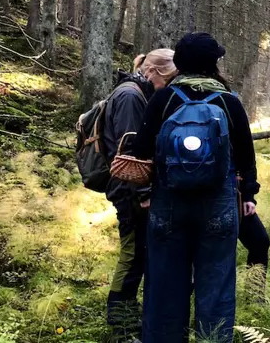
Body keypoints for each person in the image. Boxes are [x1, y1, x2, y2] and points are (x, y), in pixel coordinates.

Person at [133, 33, 260, 343]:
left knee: (164, 286)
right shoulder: (228, 101)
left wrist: (144, 194)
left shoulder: (163, 99)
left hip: (168, 204)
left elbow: (141, 151)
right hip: (218, 206)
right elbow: (246, 154)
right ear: (213, 63)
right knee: (215, 287)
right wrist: (250, 195)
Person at [104, 50, 177, 340]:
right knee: (132, 255)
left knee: (139, 254)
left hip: (132, 189)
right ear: (154, 73)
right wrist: (144, 193)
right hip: (130, 191)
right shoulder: (131, 97)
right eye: (169, 79)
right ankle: (119, 324)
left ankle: (129, 317)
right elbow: (132, 150)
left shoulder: (135, 93)